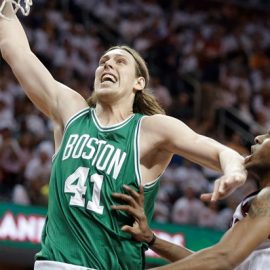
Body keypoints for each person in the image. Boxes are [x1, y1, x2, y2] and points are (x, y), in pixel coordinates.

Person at [0, 2, 247, 270]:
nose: (108, 65)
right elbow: (17, 53)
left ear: (138, 83)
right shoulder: (71, 111)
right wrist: (7, 10)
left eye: (120, 62)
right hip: (54, 264)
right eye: (103, 62)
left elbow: (215, 149)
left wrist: (233, 170)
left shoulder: (151, 129)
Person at [112, 131, 270, 270]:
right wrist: (151, 239)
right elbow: (210, 262)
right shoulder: (258, 199)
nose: (258, 138)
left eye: (268, 136)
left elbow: (222, 259)